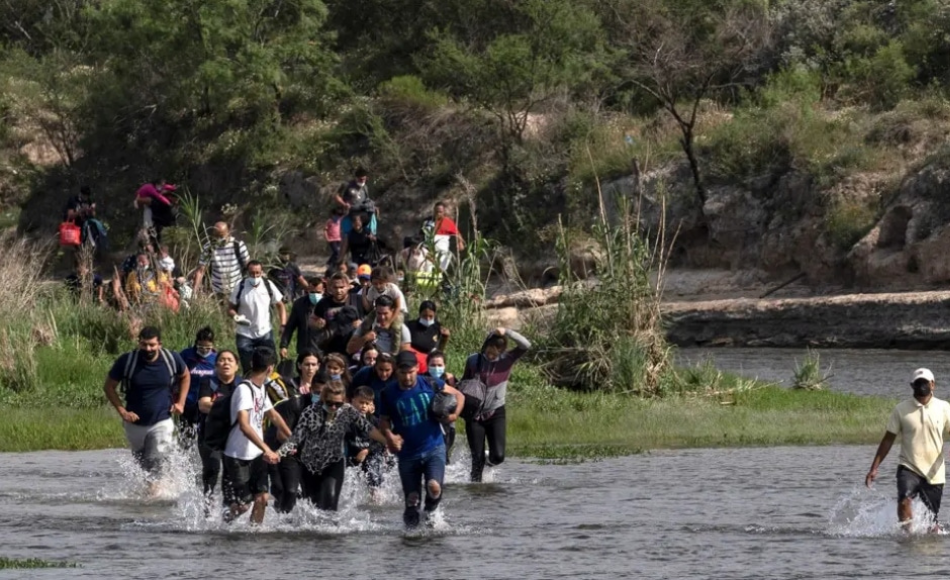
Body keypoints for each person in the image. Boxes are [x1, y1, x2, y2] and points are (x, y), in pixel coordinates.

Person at [379, 351, 464, 528]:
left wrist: (454, 415)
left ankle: (431, 513)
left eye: (411, 371)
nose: (407, 376)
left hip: (434, 446)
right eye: (403, 372)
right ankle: (410, 542)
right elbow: (384, 420)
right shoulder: (388, 393)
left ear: (417, 368)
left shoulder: (430, 383)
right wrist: (390, 436)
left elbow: (459, 396)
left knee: (434, 487)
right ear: (396, 371)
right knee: (412, 500)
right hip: (407, 453)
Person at [102, 326, 189, 496]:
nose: (148, 349)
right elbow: (109, 387)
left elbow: (186, 376)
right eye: (144, 345)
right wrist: (123, 412)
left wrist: (181, 403)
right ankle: (153, 490)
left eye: (151, 345)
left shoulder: (171, 359)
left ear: (159, 344)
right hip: (134, 423)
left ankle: (155, 497)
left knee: (155, 458)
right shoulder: (127, 361)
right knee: (142, 462)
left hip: (162, 420)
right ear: (138, 343)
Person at [277, 381, 389, 512]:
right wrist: (278, 453)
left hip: (335, 462)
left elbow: (370, 430)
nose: (334, 407)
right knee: (313, 502)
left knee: (330, 499)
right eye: (330, 403)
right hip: (311, 463)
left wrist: (388, 441)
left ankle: (331, 530)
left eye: (338, 404)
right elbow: (296, 437)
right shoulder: (311, 412)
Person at [866, 368, 950, 531]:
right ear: (912, 385)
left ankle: (929, 546)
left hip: (935, 472)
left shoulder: (944, 408)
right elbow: (888, 440)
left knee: (931, 523)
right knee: (904, 500)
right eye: (918, 383)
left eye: (925, 383)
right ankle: (907, 538)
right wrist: (874, 468)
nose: (922, 386)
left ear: (933, 384)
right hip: (908, 467)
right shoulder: (901, 409)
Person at [222, 347, 291, 525]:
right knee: (244, 505)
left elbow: (273, 415)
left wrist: (292, 438)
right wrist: (267, 449)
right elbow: (244, 426)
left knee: (262, 499)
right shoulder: (244, 390)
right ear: (271, 368)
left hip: (256, 455)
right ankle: (222, 523)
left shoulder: (260, 389)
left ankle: (255, 536)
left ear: (252, 364)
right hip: (237, 456)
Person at [462, 327, 532, 483]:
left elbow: (526, 345)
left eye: (494, 353)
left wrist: (507, 331)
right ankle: (476, 492)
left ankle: (487, 461)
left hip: (496, 413)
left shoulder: (507, 359)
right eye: (488, 351)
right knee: (476, 462)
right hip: (474, 415)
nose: (490, 355)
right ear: (485, 346)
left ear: (502, 351)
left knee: (498, 456)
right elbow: (464, 383)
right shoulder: (473, 360)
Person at [265, 356, 322, 514]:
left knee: (310, 494)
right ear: (310, 390)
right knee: (286, 490)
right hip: (280, 447)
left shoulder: (331, 408)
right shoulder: (295, 403)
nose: (320, 397)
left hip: (304, 451)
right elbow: (281, 435)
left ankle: (303, 525)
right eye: (317, 392)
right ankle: (281, 524)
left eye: (324, 393)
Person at [196, 350, 241, 502]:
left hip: (233, 437)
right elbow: (203, 405)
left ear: (236, 366)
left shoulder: (242, 385)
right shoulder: (208, 382)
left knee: (230, 474)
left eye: (230, 360)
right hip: (210, 437)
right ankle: (207, 508)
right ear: (216, 366)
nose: (226, 363)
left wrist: (217, 406)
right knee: (212, 470)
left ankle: (227, 510)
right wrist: (232, 408)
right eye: (222, 360)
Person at [228, 261, 286, 373]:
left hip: (265, 332)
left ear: (262, 272)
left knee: (270, 365)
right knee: (248, 368)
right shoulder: (240, 286)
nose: (255, 276)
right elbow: (230, 308)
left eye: (257, 273)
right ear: (247, 273)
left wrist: (283, 324)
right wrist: (236, 317)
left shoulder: (268, 285)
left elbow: (280, 305)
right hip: (244, 333)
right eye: (252, 273)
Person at [346, 385, 389, 498]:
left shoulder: (374, 421)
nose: (363, 406)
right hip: (352, 457)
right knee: (350, 488)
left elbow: (381, 442)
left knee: (375, 485)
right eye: (361, 402)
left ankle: (376, 502)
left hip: (371, 456)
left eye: (367, 403)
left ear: (371, 404)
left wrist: (367, 450)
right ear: (352, 401)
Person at [178, 327, 217, 442]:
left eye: (208, 348)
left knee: (204, 434)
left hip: (207, 403)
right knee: (186, 434)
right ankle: (185, 457)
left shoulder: (216, 359)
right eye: (201, 347)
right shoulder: (186, 355)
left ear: (213, 345)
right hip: (188, 401)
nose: (204, 350)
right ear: (196, 343)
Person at [194, 222, 250, 301]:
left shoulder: (238, 245)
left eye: (221, 235)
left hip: (236, 290)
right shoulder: (209, 247)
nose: (219, 239)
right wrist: (194, 292)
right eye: (217, 235)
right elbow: (201, 271)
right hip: (216, 292)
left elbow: (249, 265)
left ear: (228, 232)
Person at [312, 273, 364, 356]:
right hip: (330, 349)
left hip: (353, 349)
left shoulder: (358, 300)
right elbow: (313, 320)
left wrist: (361, 324)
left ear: (348, 287)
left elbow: (371, 318)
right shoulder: (323, 303)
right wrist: (317, 323)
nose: (338, 290)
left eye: (341, 287)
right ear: (330, 288)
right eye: (335, 287)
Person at [347, 295, 411, 358]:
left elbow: (405, 357)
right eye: (379, 313)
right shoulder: (367, 325)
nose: (382, 317)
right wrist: (365, 338)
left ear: (392, 311)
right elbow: (349, 350)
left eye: (385, 313)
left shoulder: (402, 329)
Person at [280, 277, 327, 360]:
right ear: (308, 290)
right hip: (304, 349)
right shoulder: (300, 304)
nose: (315, 295)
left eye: (318, 292)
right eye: (312, 292)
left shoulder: (328, 304)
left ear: (323, 290)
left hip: (323, 350)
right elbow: (290, 327)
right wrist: (284, 345)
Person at [423, 351, 457, 463]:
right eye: (433, 365)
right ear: (427, 365)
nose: (436, 368)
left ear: (444, 366)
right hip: (426, 421)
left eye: (439, 365)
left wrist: (454, 415)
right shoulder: (421, 380)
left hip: (446, 422)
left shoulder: (450, 379)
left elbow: (459, 397)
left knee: (444, 452)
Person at [406, 300, 450, 373]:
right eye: (424, 316)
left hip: (430, 363)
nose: (427, 319)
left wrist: (445, 338)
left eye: (430, 316)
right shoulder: (411, 326)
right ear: (420, 314)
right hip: (413, 361)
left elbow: (439, 350)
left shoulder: (437, 327)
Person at [422, 201, 465, 271]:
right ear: (434, 211)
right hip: (429, 248)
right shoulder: (427, 222)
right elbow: (422, 235)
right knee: (427, 267)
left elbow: (457, 234)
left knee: (440, 267)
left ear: (444, 211)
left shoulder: (448, 222)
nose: (438, 213)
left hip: (442, 249)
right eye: (436, 211)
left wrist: (460, 242)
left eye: (440, 212)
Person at [335, 167, 378, 236]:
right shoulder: (347, 185)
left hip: (362, 211)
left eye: (364, 179)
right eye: (360, 179)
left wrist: (373, 206)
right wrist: (344, 204)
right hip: (352, 212)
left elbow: (367, 200)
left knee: (372, 215)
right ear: (356, 178)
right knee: (357, 221)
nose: (362, 181)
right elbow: (337, 196)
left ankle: (371, 236)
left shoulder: (365, 187)